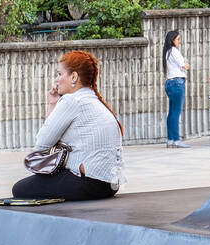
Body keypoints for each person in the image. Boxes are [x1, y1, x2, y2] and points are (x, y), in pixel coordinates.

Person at [11, 50, 125, 201]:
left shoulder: (72, 100)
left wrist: (54, 104)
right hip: (111, 186)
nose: (56, 80)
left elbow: (42, 145)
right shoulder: (92, 99)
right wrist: (53, 103)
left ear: (74, 77)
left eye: (59, 74)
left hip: (90, 183)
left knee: (20, 189)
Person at [162, 29, 189, 148]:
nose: (179, 41)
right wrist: (186, 64)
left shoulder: (167, 52)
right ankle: (177, 140)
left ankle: (170, 140)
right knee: (176, 112)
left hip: (169, 83)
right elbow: (184, 66)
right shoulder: (174, 51)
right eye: (178, 39)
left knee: (171, 112)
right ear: (173, 40)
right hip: (177, 83)